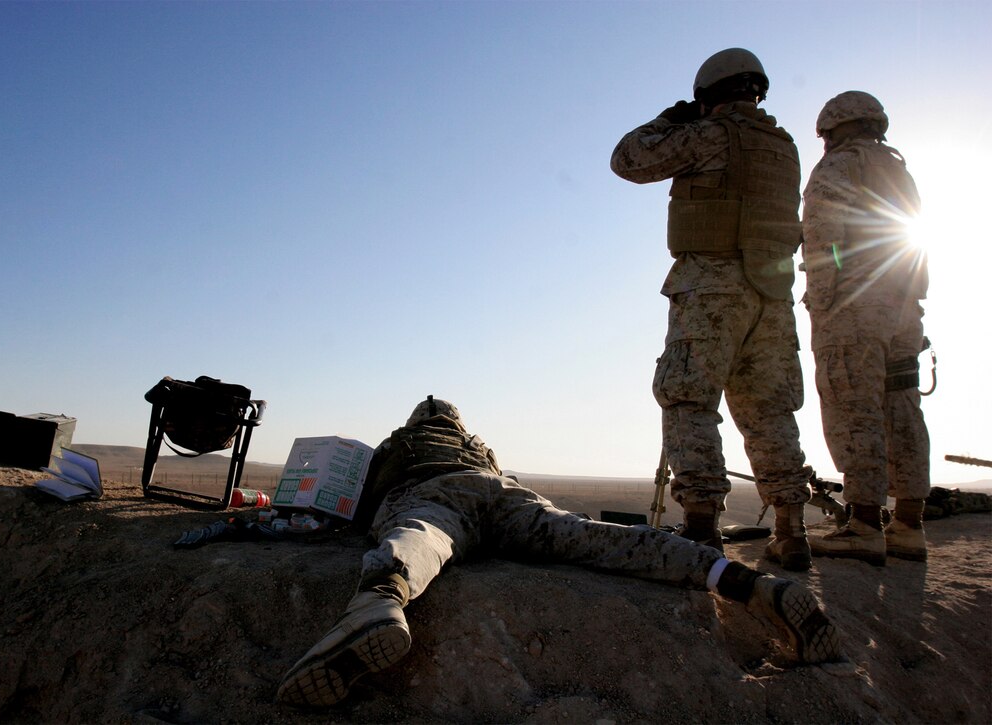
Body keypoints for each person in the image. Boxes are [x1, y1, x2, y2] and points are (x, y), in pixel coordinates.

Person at [275, 396, 842, 707]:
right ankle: (743, 583)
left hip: (433, 490)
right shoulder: (479, 447)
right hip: (505, 493)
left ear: (415, 424)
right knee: (592, 536)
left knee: (422, 534)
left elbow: (359, 500)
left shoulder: (403, 444)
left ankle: (379, 600)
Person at [609, 48, 814, 571]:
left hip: (712, 290)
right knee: (769, 410)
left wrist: (667, 119)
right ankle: (792, 529)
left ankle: (702, 526)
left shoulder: (711, 134)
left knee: (688, 399)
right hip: (771, 295)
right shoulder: (785, 147)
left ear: (708, 95)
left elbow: (628, 159)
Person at [801, 91, 930, 565]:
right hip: (904, 310)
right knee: (903, 410)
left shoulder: (838, 167)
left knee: (854, 407)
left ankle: (862, 525)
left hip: (854, 309)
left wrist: (821, 300)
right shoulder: (898, 170)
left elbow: (823, 242)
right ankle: (909, 525)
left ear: (834, 130)